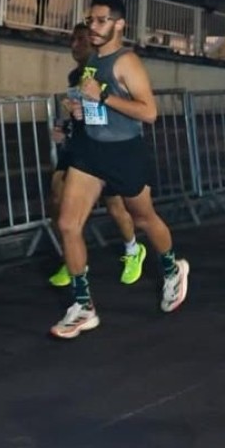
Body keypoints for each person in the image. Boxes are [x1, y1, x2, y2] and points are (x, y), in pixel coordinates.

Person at [51, 0, 190, 339]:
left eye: (100, 21)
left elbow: (149, 113)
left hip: (124, 153)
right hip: (90, 152)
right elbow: (97, 104)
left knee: (143, 217)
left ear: (119, 24)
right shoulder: (93, 59)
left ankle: (172, 268)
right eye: (90, 20)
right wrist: (82, 110)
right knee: (68, 224)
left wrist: (102, 97)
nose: (93, 27)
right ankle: (84, 307)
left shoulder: (127, 62)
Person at [48, 24, 144, 290]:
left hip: (105, 144)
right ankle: (73, 258)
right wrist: (65, 123)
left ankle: (132, 249)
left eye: (81, 40)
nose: (74, 45)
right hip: (79, 145)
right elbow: (79, 111)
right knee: (57, 195)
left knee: (115, 206)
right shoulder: (74, 76)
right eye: (72, 39)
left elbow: (122, 109)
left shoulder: (107, 71)